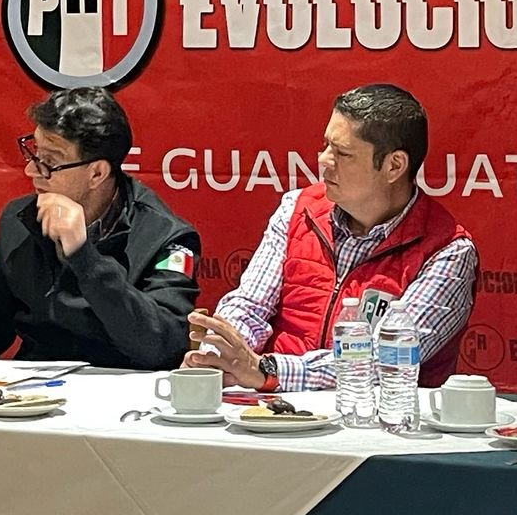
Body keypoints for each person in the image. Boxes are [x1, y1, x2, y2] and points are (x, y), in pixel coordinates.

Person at [183, 84, 478, 391]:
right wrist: (219, 355)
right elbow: (249, 306)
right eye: (326, 145)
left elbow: (387, 360)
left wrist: (267, 370)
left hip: (378, 415)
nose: (324, 160)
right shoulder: (297, 209)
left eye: (343, 153)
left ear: (394, 166)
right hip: (273, 406)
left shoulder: (449, 251)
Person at [0, 87, 200, 369]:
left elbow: (161, 345)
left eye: (49, 162)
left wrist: (84, 257)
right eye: (34, 154)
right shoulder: (20, 219)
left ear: (97, 173)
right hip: (33, 389)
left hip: (124, 390)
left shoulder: (167, 238)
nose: (31, 170)